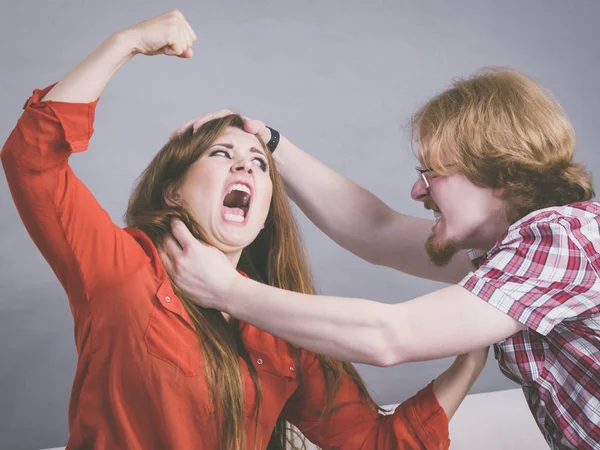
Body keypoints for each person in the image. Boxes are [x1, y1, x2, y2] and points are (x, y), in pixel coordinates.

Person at [1, 10, 491, 450]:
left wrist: (467, 363)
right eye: (221, 155)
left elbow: (377, 444)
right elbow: (32, 159)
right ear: (173, 191)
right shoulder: (122, 268)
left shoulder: (282, 326)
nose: (247, 169)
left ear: (264, 211)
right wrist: (126, 42)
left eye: (259, 164)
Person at [164, 68, 600, 449]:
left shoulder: (561, 240)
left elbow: (391, 336)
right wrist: (268, 141)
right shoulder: (511, 254)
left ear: (500, 175)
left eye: (431, 172)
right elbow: (376, 232)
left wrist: (227, 290)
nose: (418, 191)